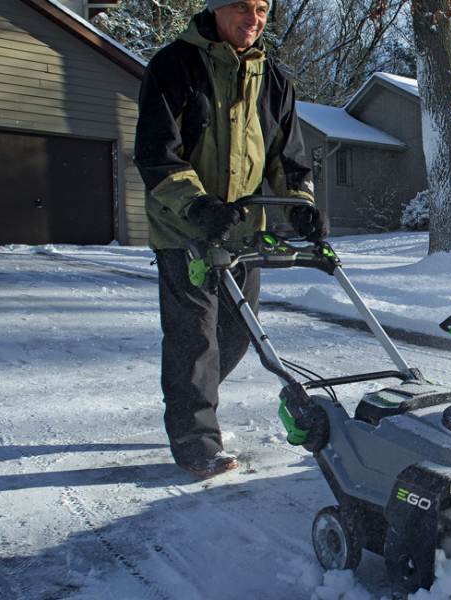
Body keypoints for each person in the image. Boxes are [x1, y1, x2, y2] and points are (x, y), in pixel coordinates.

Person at [134, 0, 328, 478]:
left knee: (239, 334)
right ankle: (195, 440)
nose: (254, 18)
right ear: (217, 8)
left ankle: (190, 396)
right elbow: (157, 151)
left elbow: (287, 158)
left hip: (243, 231)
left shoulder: (274, 79)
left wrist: (301, 207)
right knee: (194, 339)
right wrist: (197, 205)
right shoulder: (174, 65)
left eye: (261, 8)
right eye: (243, 6)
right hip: (185, 229)